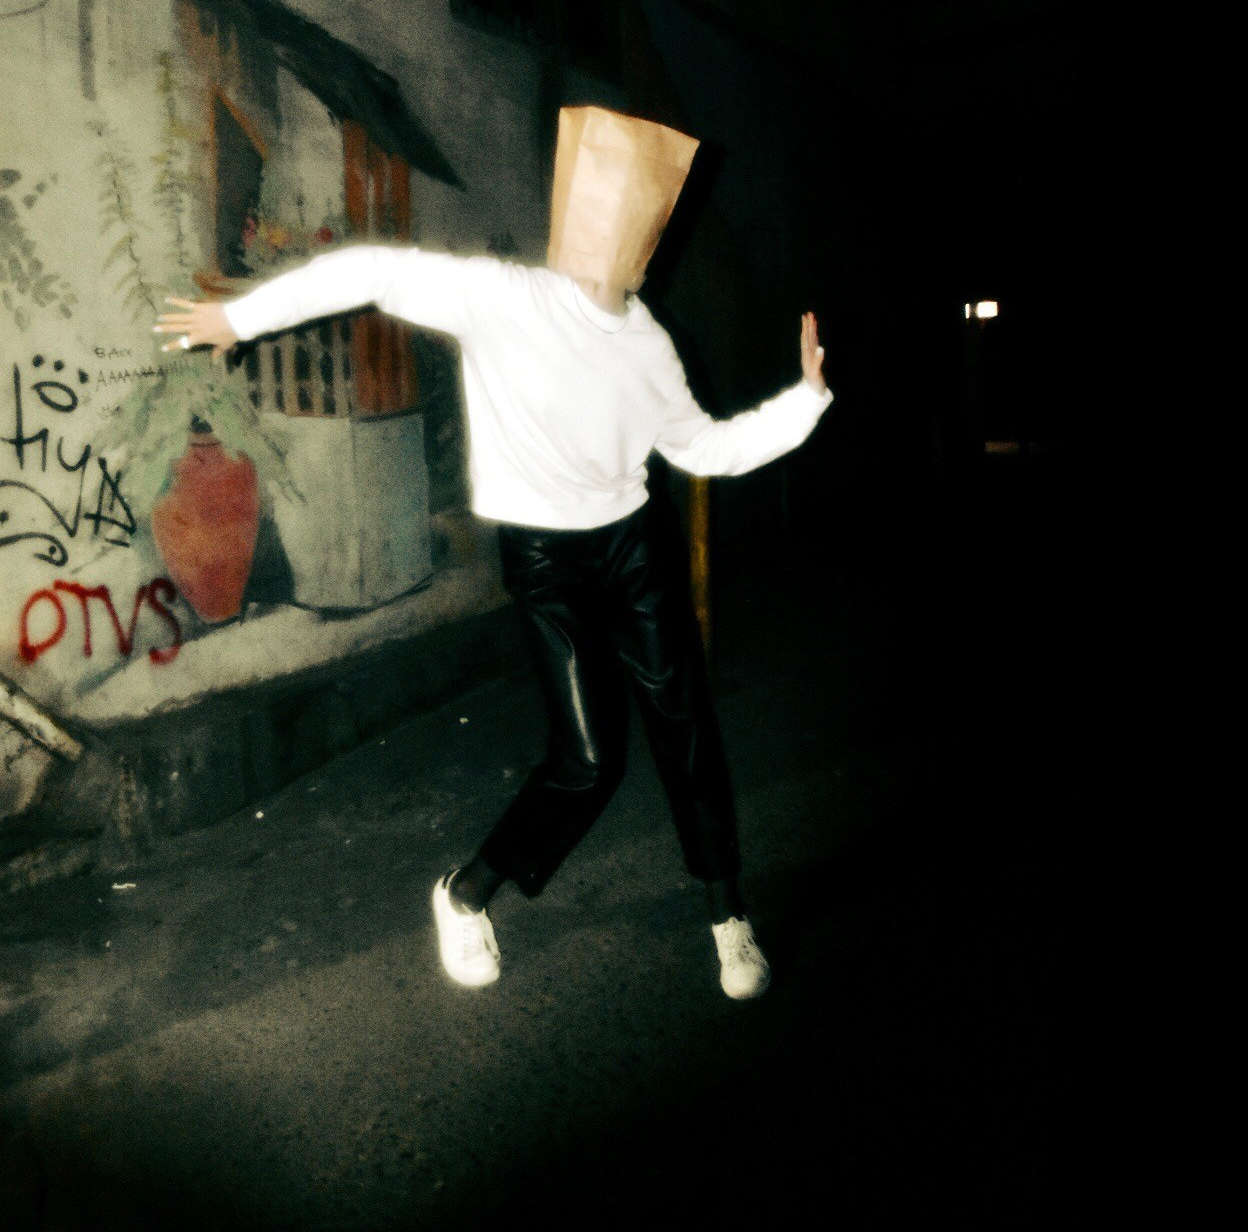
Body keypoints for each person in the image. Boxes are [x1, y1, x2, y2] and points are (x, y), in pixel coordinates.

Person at [155, 106, 831, 1001]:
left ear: (647, 240)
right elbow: (372, 268)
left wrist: (804, 400)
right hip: (547, 558)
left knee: (685, 726)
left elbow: (704, 449)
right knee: (588, 760)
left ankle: (726, 914)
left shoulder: (649, 344)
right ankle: (466, 892)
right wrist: (244, 317)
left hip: (634, 544)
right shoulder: (505, 298)